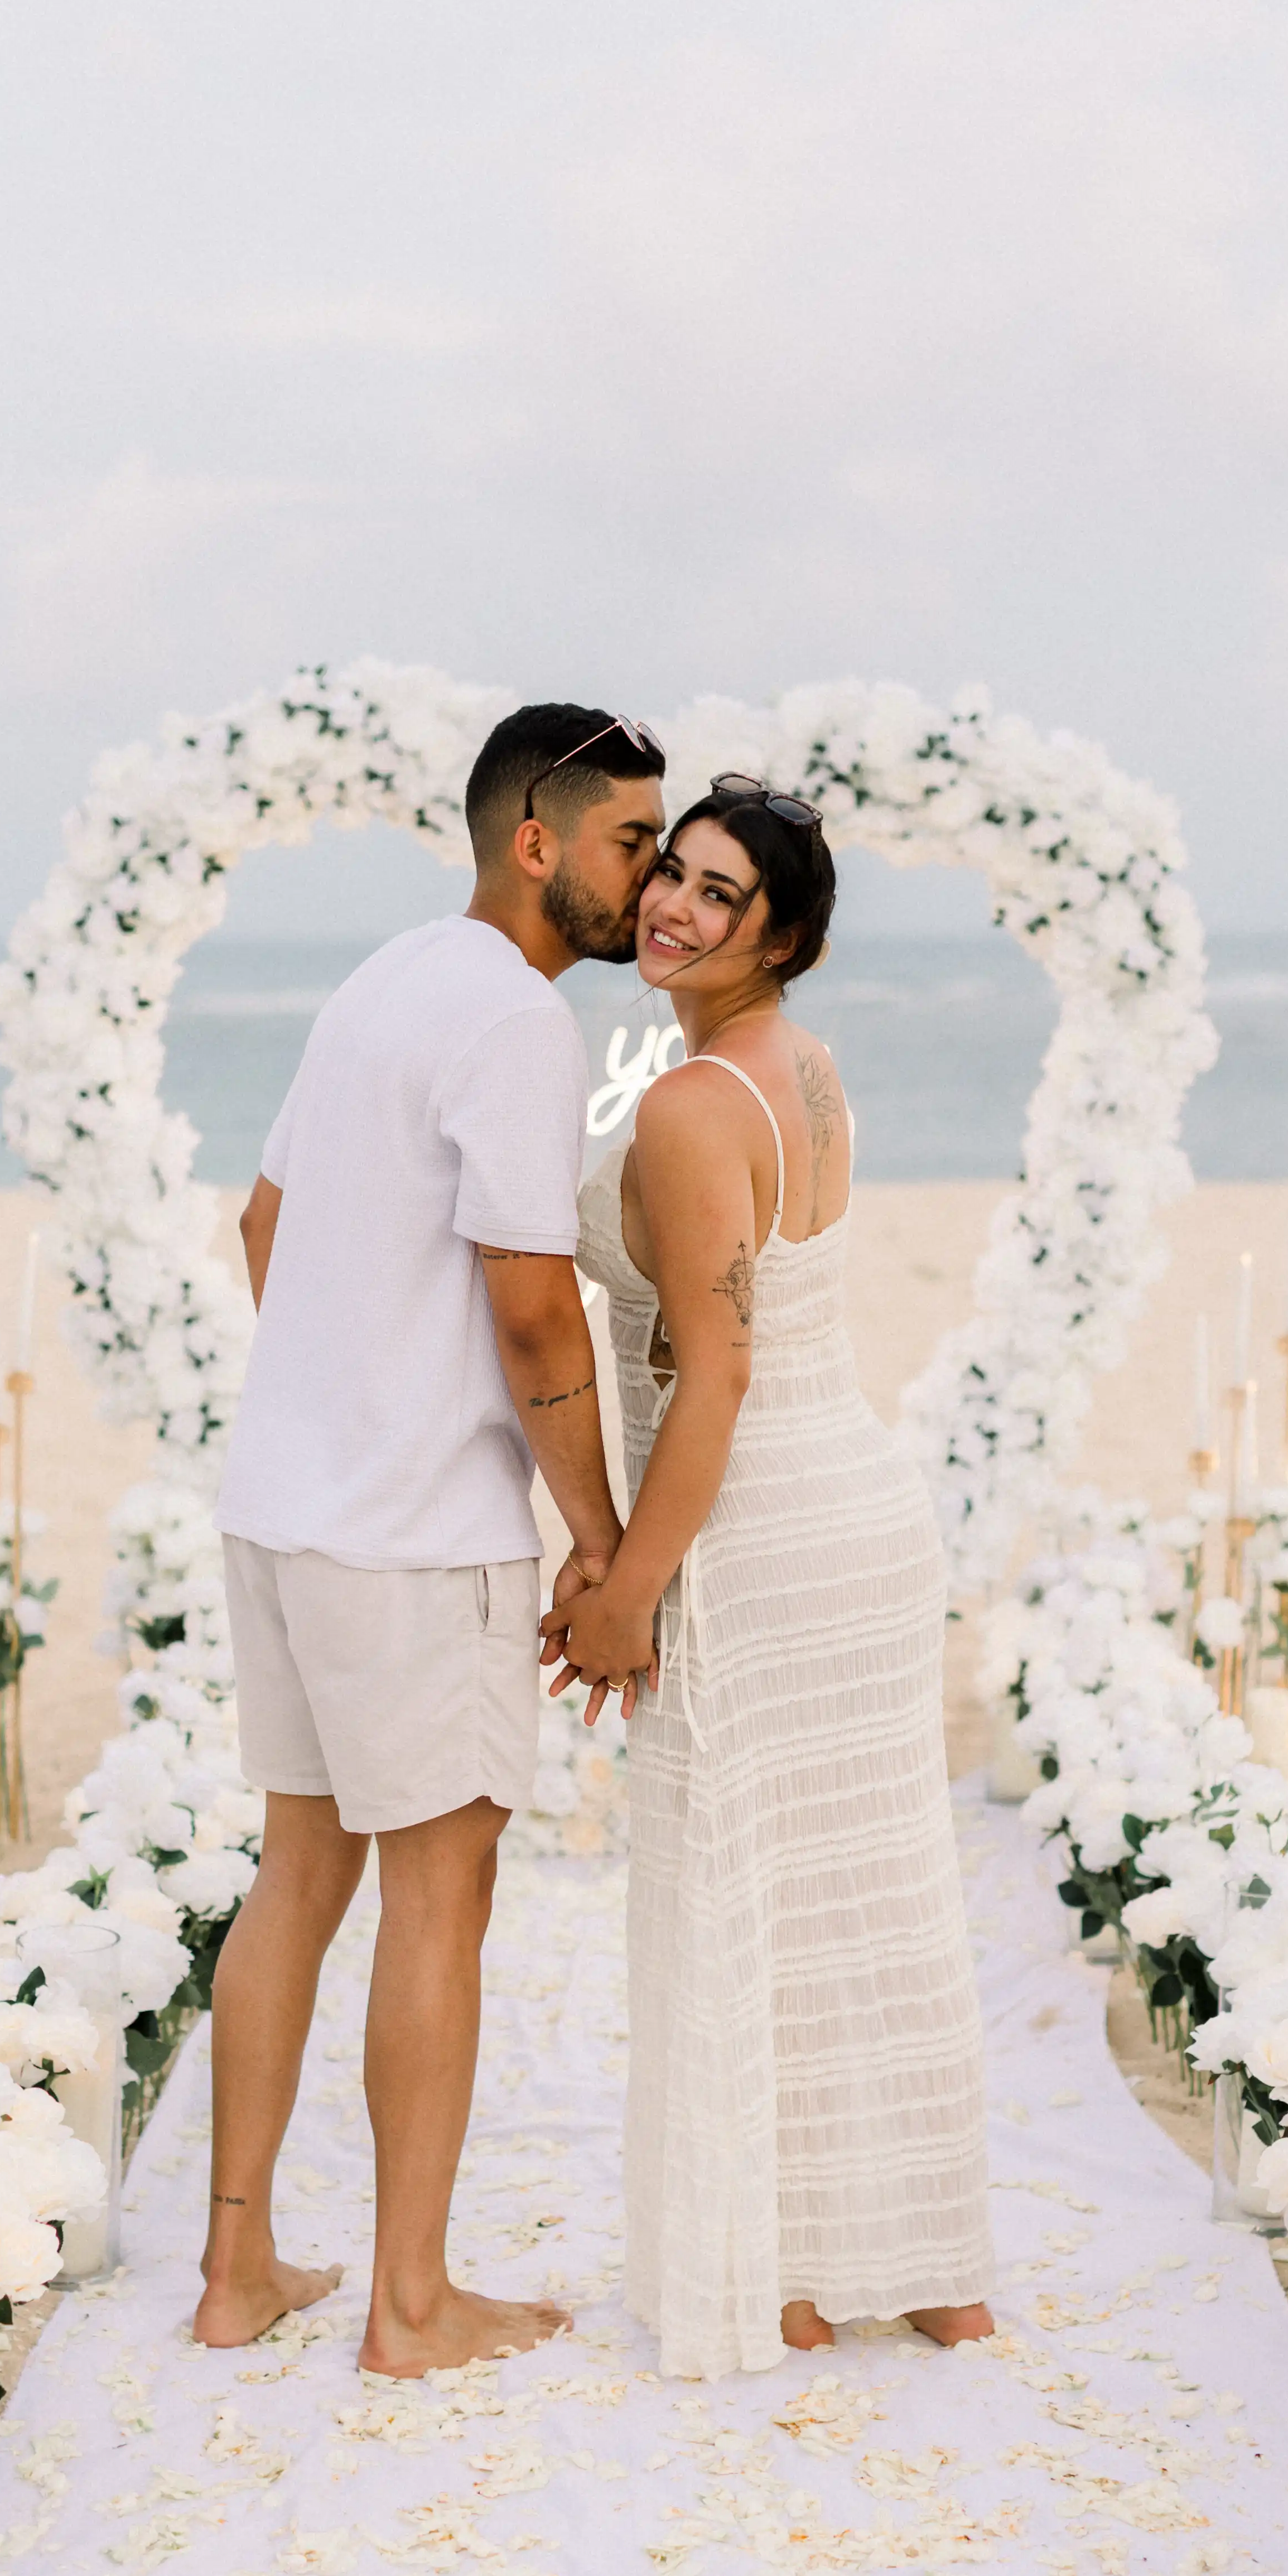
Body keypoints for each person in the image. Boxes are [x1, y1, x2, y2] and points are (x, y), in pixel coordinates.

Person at [196, 704, 665, 2371]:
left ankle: (235, 2274)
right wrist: (601, 1540)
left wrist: (345, 1389)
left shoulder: (385, 979)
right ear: (537, 841)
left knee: (295, 1876)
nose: (651, 878)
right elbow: (534, 1308)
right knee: (439, 1898)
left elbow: (264, 1221)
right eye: (631, 842)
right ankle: (410, 2303)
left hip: (284, 1509)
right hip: (412, 1537)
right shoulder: (521, 1022)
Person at [554, 778, 995, 2380]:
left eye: (718, 894)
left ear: (784, 937)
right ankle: (923, 2264)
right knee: (868, 1901)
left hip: (753, 1532)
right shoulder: (803, 1068)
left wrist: (626, 1588)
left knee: (753, 1899)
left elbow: (715, 1376)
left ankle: (789, 2271)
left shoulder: (690, 1106)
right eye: (671, 873)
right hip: (855, 1508)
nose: (672, 906)